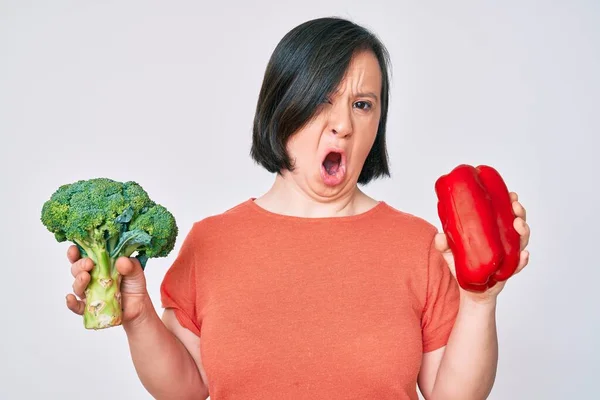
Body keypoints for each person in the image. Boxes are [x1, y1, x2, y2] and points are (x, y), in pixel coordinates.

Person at [65, 17, 531, 400]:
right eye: (322, 101)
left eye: (363, 104)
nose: (343, 125)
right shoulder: (211, 241)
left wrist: (479, 301)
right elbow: (186, 389)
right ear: (281, 109)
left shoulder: (420, 244)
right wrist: (139, 316)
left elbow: (455, 396)